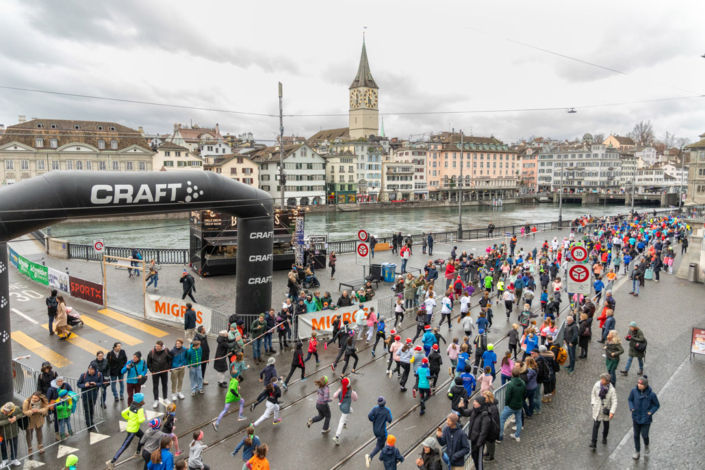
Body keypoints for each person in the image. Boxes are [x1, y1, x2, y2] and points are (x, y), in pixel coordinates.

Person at [107, 393, 146, 469]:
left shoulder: (132, 406)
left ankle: (138, 453)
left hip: (133, 428)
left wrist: (128, 418)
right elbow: (140, 420)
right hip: (133, 430)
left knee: (143, 436)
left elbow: (123, 413)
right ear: (141, 401)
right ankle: (112, 462)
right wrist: (144, 417)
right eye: (143, 399)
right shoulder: (140, 410)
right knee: (124, 446)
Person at [459, 395, 495, 470]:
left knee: (479, 461)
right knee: (474, 457)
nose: (473, 403)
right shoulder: (475, 410)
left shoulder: (485, 416)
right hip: (473, 439)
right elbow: (465, 413)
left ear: (480, 404)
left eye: (475, 402)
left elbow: (483, 433)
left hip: (479, 443)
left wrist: (478, 445)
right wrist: (460, 408)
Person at [628, 376, 659, 460]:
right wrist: (632, 407)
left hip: (646, 419)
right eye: (638, 383)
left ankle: (646, 445)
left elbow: (656, 405)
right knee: (636, 435)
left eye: (641, 384)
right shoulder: (634, 391)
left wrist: (650, 412)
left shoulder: (652, 395)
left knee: (645, 435)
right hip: (636, 417)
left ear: (645, 385)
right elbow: (630, 399)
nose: (639, 385)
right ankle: (637, 450)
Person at [589, 373, 617, 449]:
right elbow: (593, 394)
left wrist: (612, 412)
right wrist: (593, 403)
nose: (601, 380)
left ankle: (604, 436)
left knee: (606, 425)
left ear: (607, 381)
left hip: (606, 410)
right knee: (596, 425)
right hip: (597, 408)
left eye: (603, 380)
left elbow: (614, 401)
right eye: (601, 379)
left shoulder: (612, 390)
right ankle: (593, 442)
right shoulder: (597, 385)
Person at [498, 368, 525, 443]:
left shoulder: (511, 384)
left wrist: (506, 404)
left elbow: (508, 396)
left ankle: (500, 436)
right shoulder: (522, 383)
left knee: (502, 418)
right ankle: (517, 436)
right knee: (519, 420)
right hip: (519, 405)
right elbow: (524, 393)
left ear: (512, 374)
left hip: (511, 406)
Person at [365, 396, 393, 467]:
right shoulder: (387, 410)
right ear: (384, 402)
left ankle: (383, 457)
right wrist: (385, 418)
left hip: (375, 430)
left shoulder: (375, 409)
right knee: (379, 445)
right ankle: (370, 456)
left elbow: (369, 416)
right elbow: (390, 420)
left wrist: (373, 419)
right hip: (382, 432)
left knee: (381, 443)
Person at [77, 362, 104, 429]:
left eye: (91, 369)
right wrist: (84, 385)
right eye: (89, 369)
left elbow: (101, 383)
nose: (89, 370)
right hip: (85, 396)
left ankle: (91, 420)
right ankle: (88, 424)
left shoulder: (99, 375)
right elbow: (78, 384)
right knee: (87, 409)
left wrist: (95, 384)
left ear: (95, 370)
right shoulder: (83, 375)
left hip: (93, 395)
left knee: (91, 409)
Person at [147, 341, 172, 409]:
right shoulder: (151, 352)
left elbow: (170, 359)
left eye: (158, 346)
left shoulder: (166, 351)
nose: (156, 348)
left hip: (164, 372)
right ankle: (156, 400)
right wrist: (152, 370)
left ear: (161, 346)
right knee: (155, 386)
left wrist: (168, 368)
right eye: (156, 346)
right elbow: (149, 362)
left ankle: (165, 398)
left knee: (164, 385)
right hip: (155, 372)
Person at [333, 377, 357, 445]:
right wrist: (353, 394)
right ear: (349, 385)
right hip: (345, 409)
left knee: (351, 410)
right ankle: (337, 436)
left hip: (341, 406)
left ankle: (345, 423)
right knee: (341, 421)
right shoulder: (351, 392)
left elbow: (334, 396)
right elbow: (355, 398)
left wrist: (338, 390)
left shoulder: (340, 390)